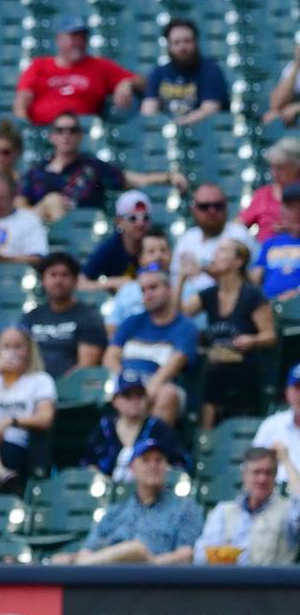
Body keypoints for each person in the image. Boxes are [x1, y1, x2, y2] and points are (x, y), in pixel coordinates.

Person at [54, 440, 203, 565]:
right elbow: (89, 548)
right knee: (59, 559)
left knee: (135, 549)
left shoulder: (184, 508)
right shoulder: (115, 512)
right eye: (146, 460)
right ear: (132, 468)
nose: (153, 466)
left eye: (159, 460)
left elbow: (187, 554)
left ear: (166, 467)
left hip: (157, 583)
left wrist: (149, 562)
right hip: (108, 578)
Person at [19, 112, 185, 223]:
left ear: (80, 135)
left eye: (72, 130)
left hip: (86, 233)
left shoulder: (93, 167)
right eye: (61, 131)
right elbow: (19, 206)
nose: (66, 136)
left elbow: (134, 179)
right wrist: (45, 209)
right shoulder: (36, 172)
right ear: (52, 136)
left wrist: (168, 177)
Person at [182, 239, 274, 430]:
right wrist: (181, 279)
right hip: (216, 358)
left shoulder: (252, 295)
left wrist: (253, 339)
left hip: (245, 359)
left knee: (213, 370)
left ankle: (205, 434)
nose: (215, 255)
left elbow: (270, 335)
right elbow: (178, 315)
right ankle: (201, 435)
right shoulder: (209, 294)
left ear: (238, 261)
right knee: (200, 366)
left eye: (222, 251)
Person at [0, 326, 57, 485]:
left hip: (15, 443)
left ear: (29, 350)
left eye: (18, 347)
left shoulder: (41, 379)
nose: (11, 352)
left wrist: (11, 421)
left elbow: (45, 418)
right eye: (6, 347)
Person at [105, 266, 198, 427]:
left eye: (153, 288)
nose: (147, 295)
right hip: (125, 383)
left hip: (161, 386)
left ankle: (150, 448)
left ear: (169, 288)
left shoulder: (185, 327)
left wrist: (137, 396)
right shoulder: (132, 321)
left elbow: (171, 367)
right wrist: (125, 387)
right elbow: (110, 357)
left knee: (167, 394)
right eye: (143, 290)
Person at [14, 17, 142, 125]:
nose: (78, 42)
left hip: (80, 134)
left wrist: (127, 83)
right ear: (59, 39)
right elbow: (22, 101)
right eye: (73, 37)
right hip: (43, 130)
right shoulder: (39, 65)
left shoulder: (100, 66)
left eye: (83, 37)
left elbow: (143, 81)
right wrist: (25, 129)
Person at [193, 448, 300, 566]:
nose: (262, 478)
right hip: (228, 580)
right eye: (256, 472)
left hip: (273, 582)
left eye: (268, 472)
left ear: (275, 477)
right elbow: (201, 557)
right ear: (244, 475)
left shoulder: (287, 510)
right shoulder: (223, 511)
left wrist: (286, 460)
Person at [82, 369, 189, 482]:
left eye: (139, 395)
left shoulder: (158, 427)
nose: (134, 400)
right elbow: (87, 463)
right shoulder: (104, 427)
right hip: (106, 494)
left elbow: (181, 463)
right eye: (127, 396)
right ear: (115, 400)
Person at [23, 252, 107, 378]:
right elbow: (21, 356)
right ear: (43, 280)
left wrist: (57, 387)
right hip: (34, 386)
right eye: (53, 275)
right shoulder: (32, 317)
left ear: (75, 280)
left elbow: (86, 366)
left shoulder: (89, 317)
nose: (58, 281)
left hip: (73, 391)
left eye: (65, 275)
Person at [172, 184, 255, 297]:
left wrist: (204, 269)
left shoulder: (239, 234)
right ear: (194, 209)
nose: (212, 211)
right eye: (204, 207)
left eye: (217, 206)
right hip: (188, 307)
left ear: (226, 206)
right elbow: (175, 279)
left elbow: (248, 280)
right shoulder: (187, 238)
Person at [141, 19, 228, 125]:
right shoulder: (158, 72)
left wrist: (176, 126)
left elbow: (210, 110)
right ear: (169, 46)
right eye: (176, 43)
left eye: (187, 41)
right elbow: (148, 109)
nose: (182, 47)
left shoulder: (210, 70)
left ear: (196, 42)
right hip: (166, 133)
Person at [82, 190, 156, 292]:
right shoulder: (110, 247)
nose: (140, 223)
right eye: (133, 218)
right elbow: (81, 282)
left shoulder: (156, 244)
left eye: (146, 218)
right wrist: (112, 282)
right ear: (118, 221)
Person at [241, 138, 300, 244]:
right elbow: (240, 224)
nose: (274, 173)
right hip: (266, 253)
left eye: (280, 167)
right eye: (272, 167)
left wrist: (292, 229)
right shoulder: (263, 194)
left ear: (297, 167)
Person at [254, 363, 300, 486]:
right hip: (272, 497)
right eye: (297, 388)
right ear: (287, 392)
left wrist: (285, 459)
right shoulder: (271, 425)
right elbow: (252, 469)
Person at [254, 183, 300, 300]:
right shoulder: (271, 243)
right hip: (267, 306)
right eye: (291, 207)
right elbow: (255, 275)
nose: (296, 213)